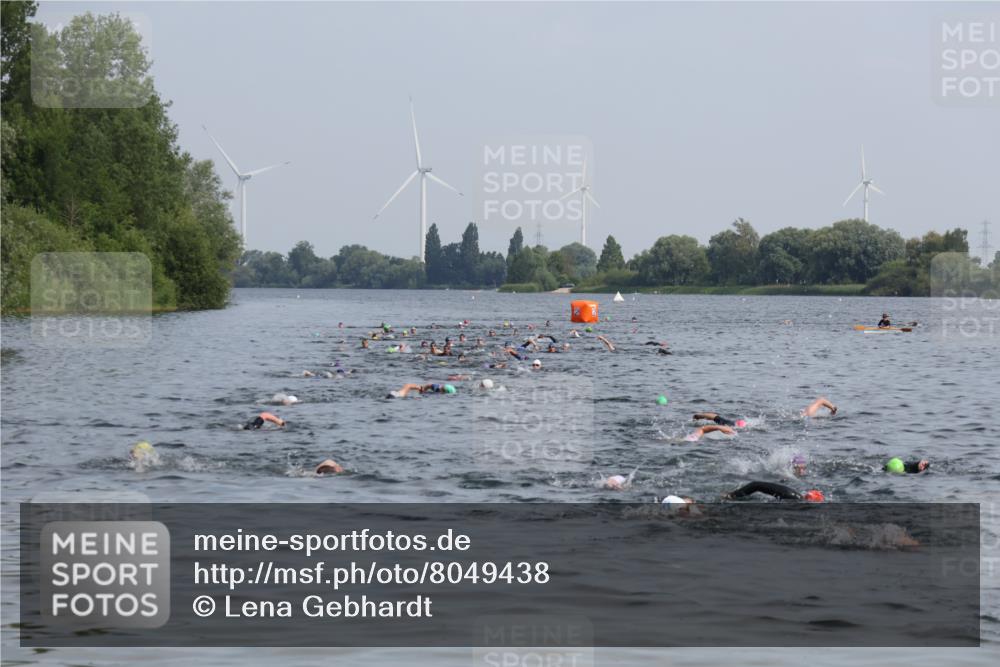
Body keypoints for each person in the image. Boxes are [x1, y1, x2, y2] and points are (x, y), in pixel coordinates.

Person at [725, 481, 824, 502]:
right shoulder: (794, 497)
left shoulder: (794, 497)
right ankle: (731, 496)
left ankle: (731, 496)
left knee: (756, 485)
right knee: (756, 485)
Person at [387, 383, 457, 398]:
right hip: (395, 396)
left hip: (395, 396)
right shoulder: (438, 392)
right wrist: (422, 390)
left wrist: (420, 389)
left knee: (408, 385)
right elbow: (430, 385)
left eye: (441, 388)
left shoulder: (437, 394)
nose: (439, 387)